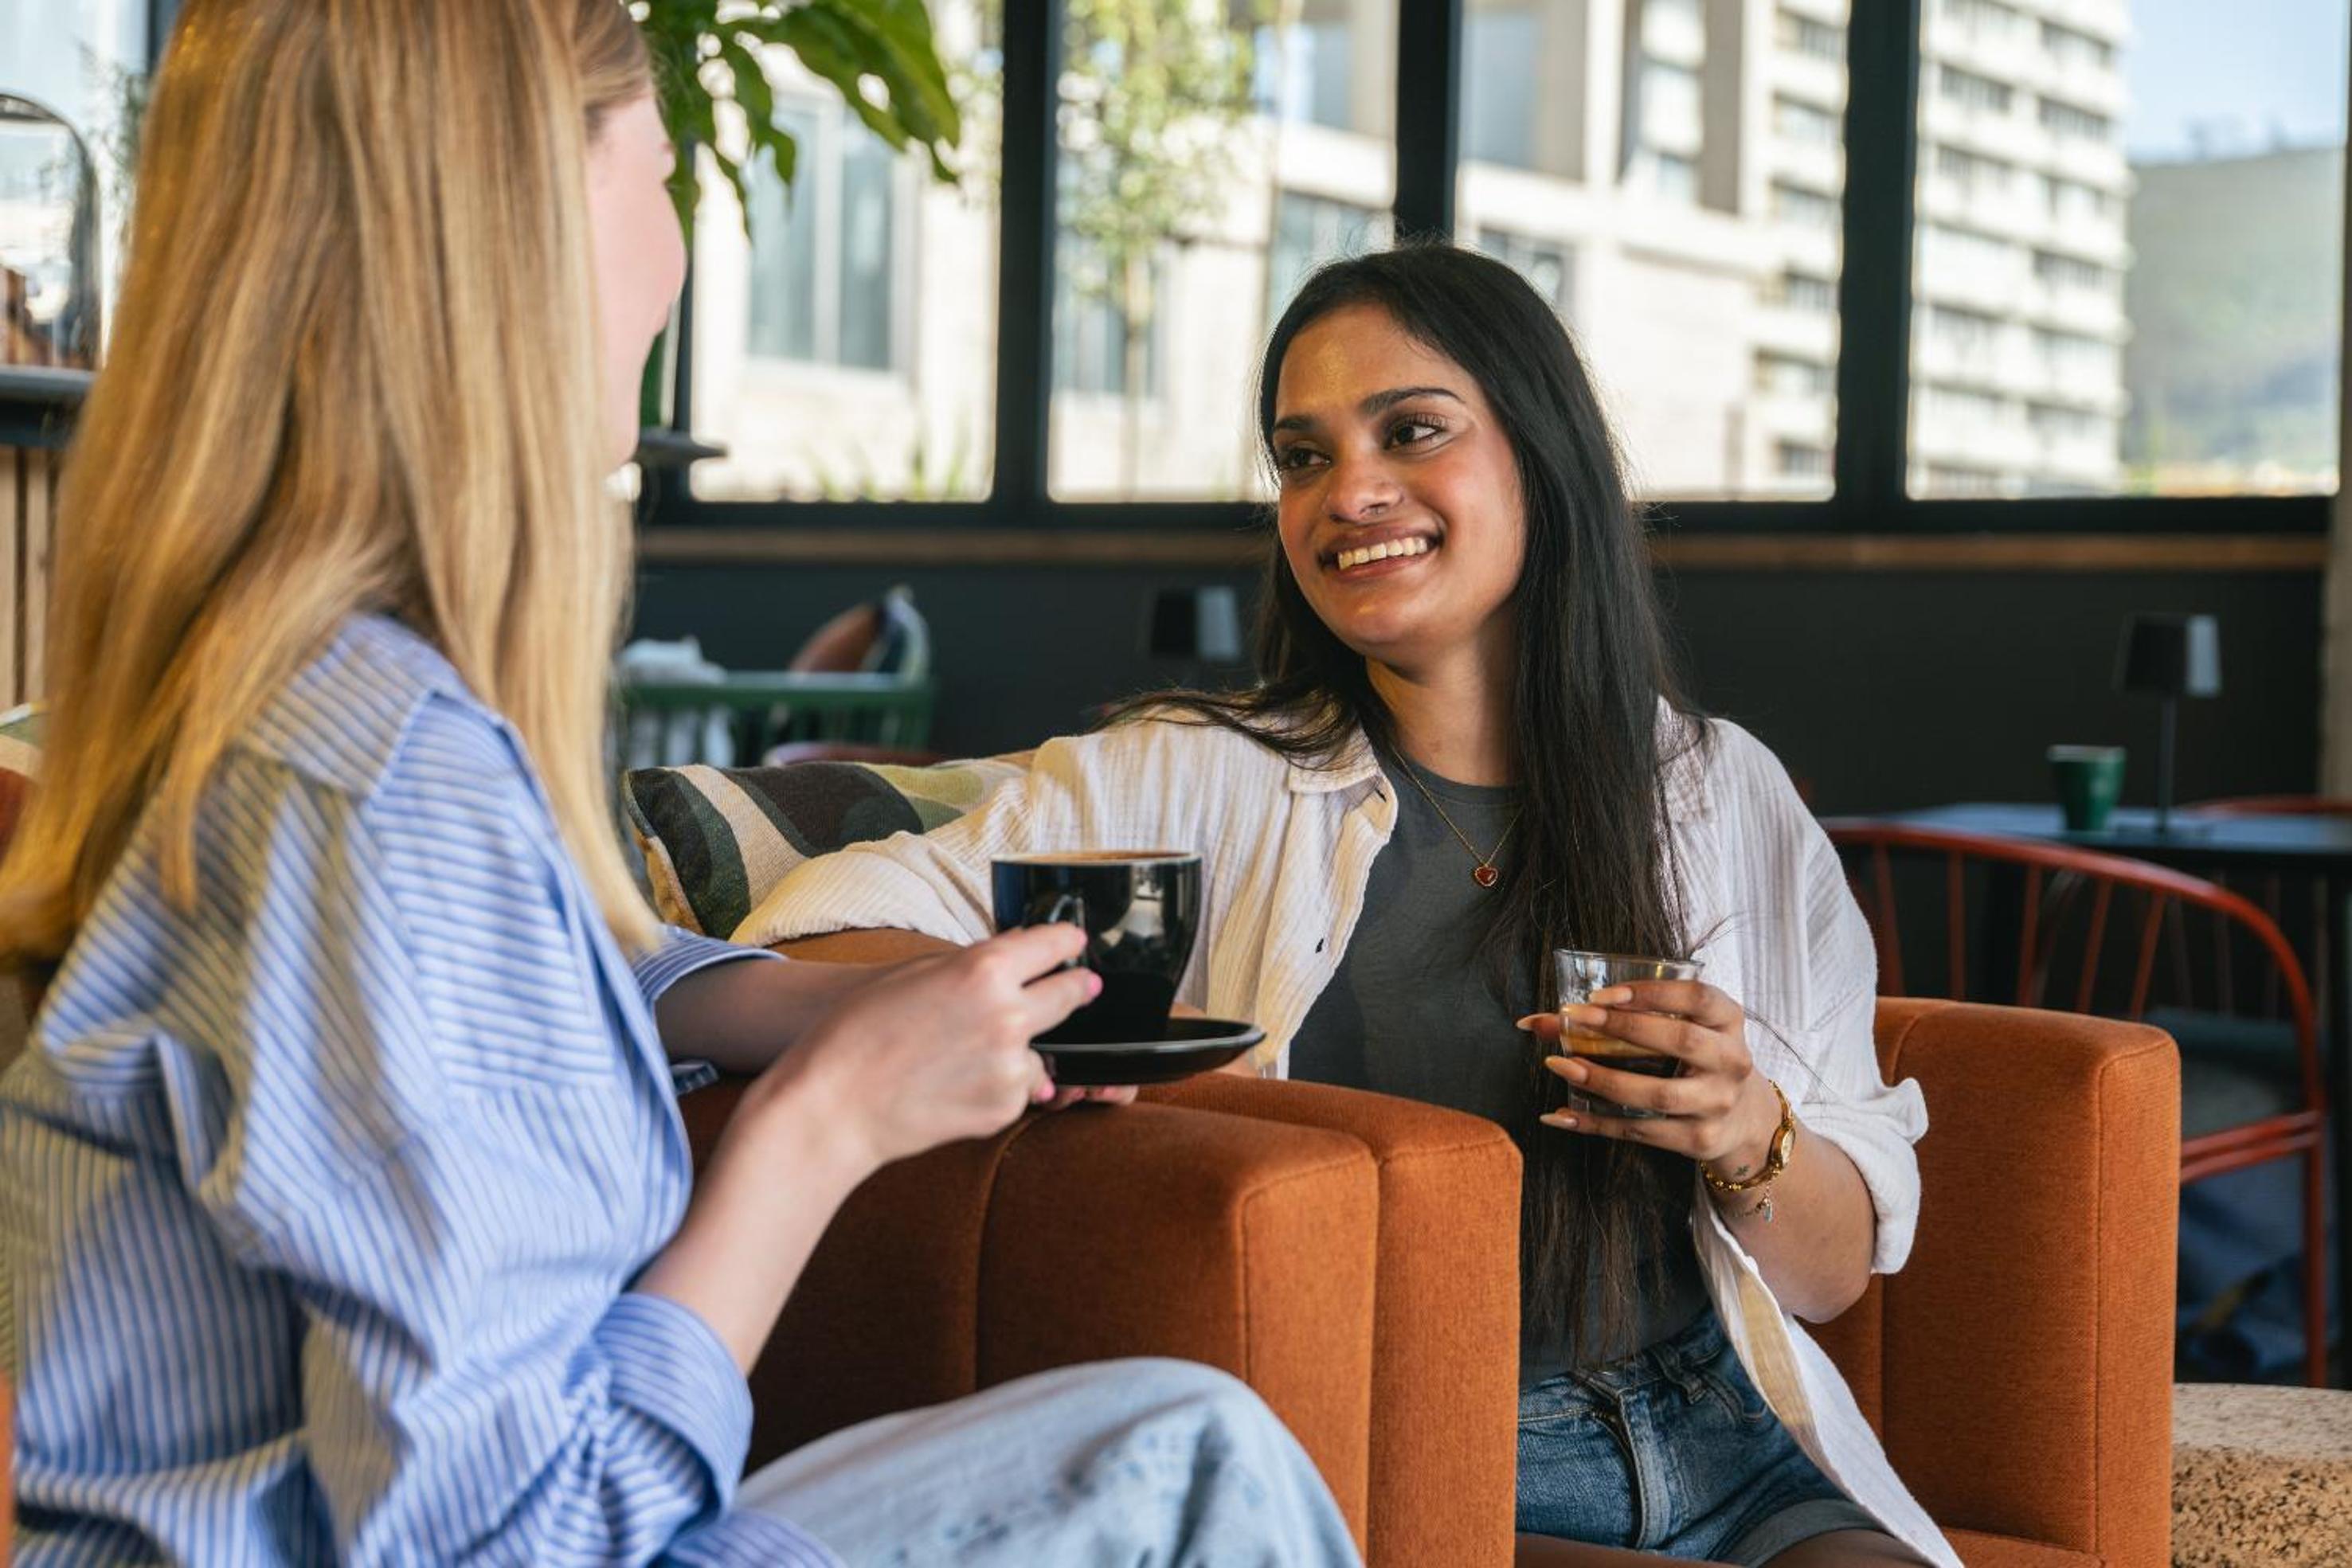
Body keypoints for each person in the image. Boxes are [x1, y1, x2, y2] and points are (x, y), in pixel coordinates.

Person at [0, 3, 1361, 1564]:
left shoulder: (276, 700)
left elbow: (466, 997)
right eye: (656, 177)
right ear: (517, 229)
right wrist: (824, 1126)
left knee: (1179, 1444)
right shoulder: (382, 780)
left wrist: (826, 1006)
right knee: (1198, 1470)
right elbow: (527, 1540)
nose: (676, 257)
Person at [744, 243, 1958, 1568]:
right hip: (1427, 1457)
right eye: (1301, 456)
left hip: (1734, 1437)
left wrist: (1745, 1128)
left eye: (1410, 429)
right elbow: (819, 922)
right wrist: (1070, 1032)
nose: (1349, 491)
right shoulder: (1193, 775)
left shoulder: (1719, 790)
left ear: (1540, 455)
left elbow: (1831, 1274)